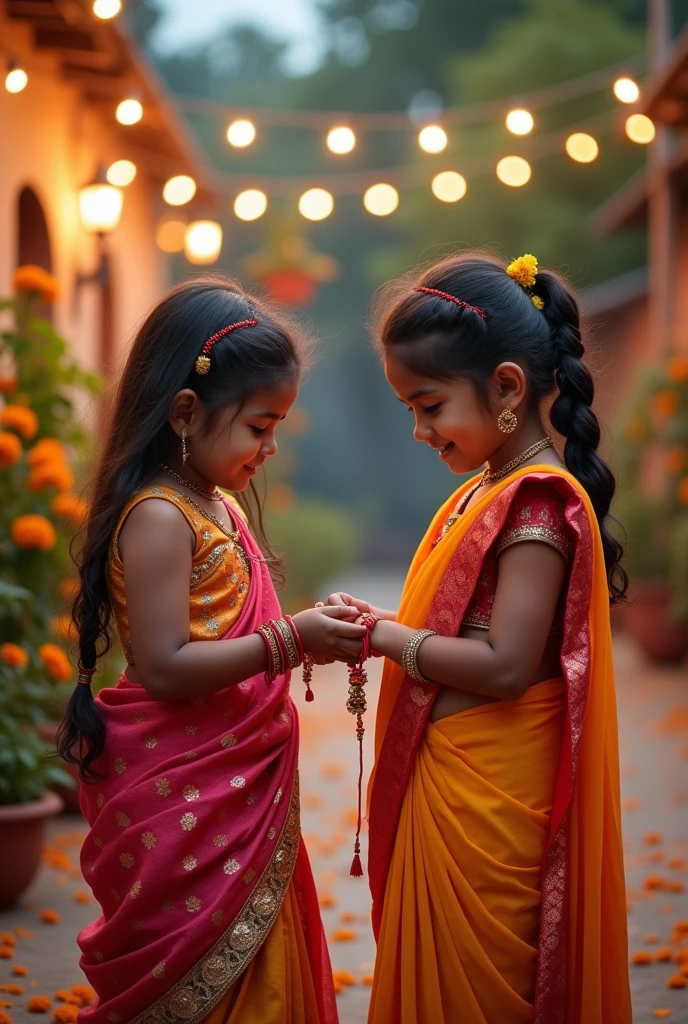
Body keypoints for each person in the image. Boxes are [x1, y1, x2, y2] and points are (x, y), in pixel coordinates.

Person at [328, 253, 631, 1023]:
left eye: (430, 405)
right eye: (409, 411)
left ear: (506, 387)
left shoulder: (533, 504)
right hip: (455, 791)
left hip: (491, 813)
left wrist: (386, 639)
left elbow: (504, 666)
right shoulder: (482, 491)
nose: (422, 430)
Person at [57, 276, 365, 1024]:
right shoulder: (161, 516)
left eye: (277, 427)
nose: (270, 446)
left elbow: (225, 628)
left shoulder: (214, 502)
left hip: (239, 791)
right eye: (260, 426)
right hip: (184, 796)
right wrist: (293, 640)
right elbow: (164, 664)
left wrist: (303, 625)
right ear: (187, 412)